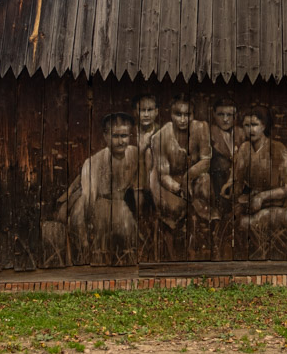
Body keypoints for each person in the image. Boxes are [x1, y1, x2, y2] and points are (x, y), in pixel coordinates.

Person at [63, 112, 139, 265]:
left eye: (124, 136)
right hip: (100, 205)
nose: (120, 141)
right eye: (115, 136)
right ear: (105, 136)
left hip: (121, 203)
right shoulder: (93, 163)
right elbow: (89, 199)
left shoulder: (135, 154)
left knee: (127, 225)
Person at [223, 105, 287, 240]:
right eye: (247, 125)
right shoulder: (244, 149)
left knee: (252, 222)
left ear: (263, 126)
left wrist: (263, 197)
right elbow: (235, 179)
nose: (251, 130)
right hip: (252, 204)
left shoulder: (278, 149)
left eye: (255, 124)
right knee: (236, 224)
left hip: (276, 204)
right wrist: (229, 187)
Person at [149, 94, 212, 229]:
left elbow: (206, 161)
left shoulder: (202, 128)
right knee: (175, 214)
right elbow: (163, 175)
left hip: (190, 177)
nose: (183, 120)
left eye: (187, 114)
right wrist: (178, 189)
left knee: (205, 182)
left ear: (193, 115)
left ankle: (204, 231)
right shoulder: (159, 138)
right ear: (171, 115)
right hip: (167, 181)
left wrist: (188, 177)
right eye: (178, 114)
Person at [208, 98, 246, 216]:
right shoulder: (208, 133)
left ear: (235, 116)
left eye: (229, 115)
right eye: (221, 114)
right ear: (214, 114)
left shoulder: (241, 133)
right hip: (216, 184)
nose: (225, 119)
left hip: (238, 183)